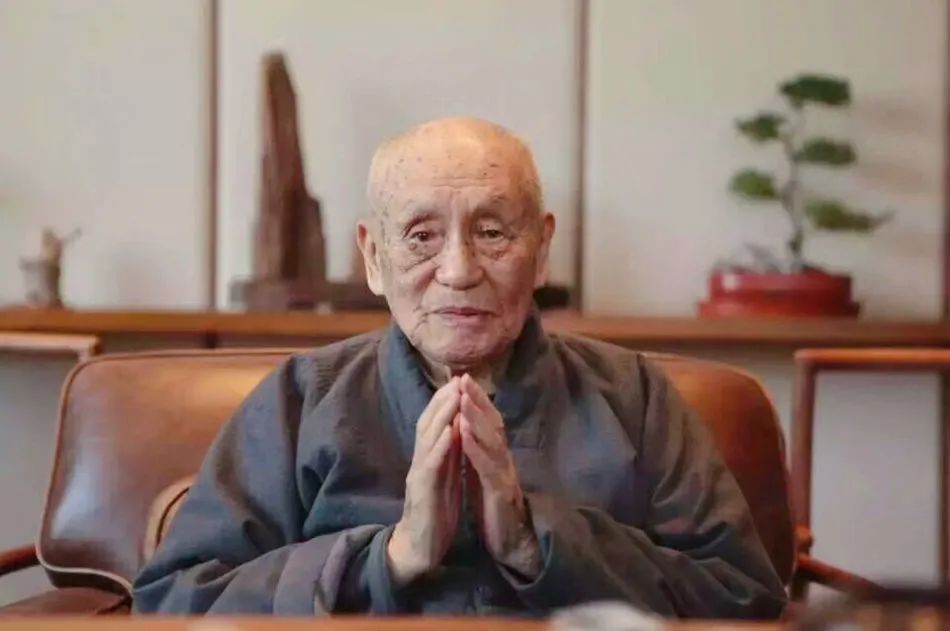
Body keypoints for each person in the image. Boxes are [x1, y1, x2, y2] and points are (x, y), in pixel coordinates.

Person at [133, 118, 787, 618]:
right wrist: (391, 557)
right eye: (422, 235)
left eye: (492, 232)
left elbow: (741, 596)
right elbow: (175, 600)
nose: (458, 269)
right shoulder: (300, 401)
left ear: (541, 249)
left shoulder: (633, 397)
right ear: (373, 256)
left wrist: (536, 539)